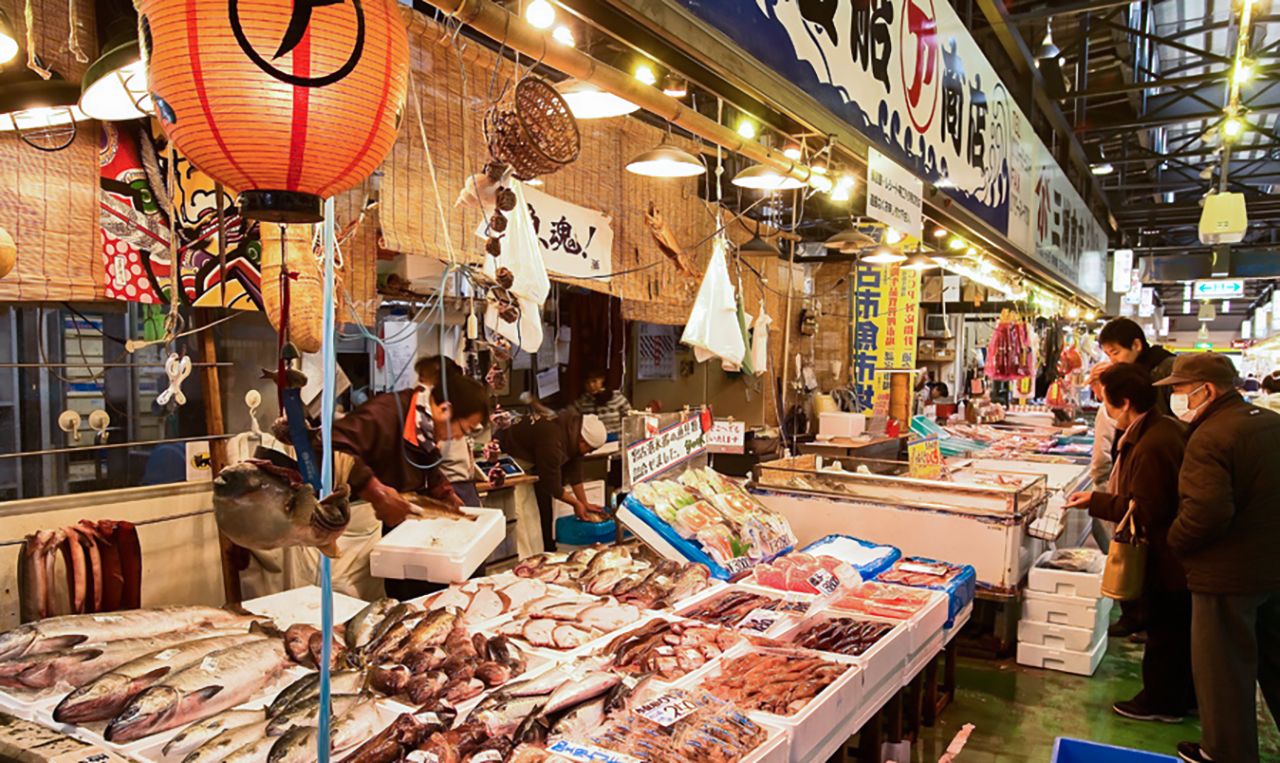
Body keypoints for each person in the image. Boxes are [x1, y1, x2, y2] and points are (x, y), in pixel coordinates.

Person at [1153, 352, 1280, 763]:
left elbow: (1205, 513)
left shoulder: (1210, 436)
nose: (1174, 396)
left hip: (1227, 574)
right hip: (1270, 565)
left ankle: (1225, 754)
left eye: (1177, 389)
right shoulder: (1269, 422)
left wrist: (1174, 540)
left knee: (1223, 672)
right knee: (1273, 661)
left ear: (1205, 390)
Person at [1065, 363, 1192, 722]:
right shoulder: (1159, 429)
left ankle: (1162, 703)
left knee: (1166, 631)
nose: (1104, 409)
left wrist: (1096, 501)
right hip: (1175, 554)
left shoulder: (1153, 442)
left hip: (1168, 556)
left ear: (1123, 402)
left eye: (1105, 401)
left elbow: (1146, 508)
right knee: (1175, 631)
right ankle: (1180, 697)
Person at [331, 357, 491, 527]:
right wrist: (374, 491)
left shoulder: (427, 433)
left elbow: (425, 465)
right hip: (353, 525)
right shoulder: (385, 413)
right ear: (445, 409)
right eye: (464, 429)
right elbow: (332, 446)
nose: (459, 437)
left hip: (391, 530)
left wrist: (444, 494)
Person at [498, 410, 608, 551]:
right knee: (520, 520)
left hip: (530, 467)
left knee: (534, 517)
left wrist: (584, 503)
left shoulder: (572, 430)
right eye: (589, 449)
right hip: (509, 462)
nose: (589, 453)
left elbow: (574, 471)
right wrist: (575, 503)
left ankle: (538, 554)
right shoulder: (553, 440)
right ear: (582, 440)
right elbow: (551, 484)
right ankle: (521, 564)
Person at [1098, 318, 1177, 414]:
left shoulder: (1167, 368)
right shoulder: (1131, 375)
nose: (1112, 360)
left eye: (1115, 353)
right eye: (1108, 355)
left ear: (1136, 345)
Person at [1086, 361, 1117, 553]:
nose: (1093, 392)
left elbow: (1102, 454)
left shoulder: (1107, 409)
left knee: (1110, 542)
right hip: (1117, 484)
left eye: (1094, 386)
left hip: (1109, 487)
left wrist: (1097, 485)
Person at [573, 368, 631, 436]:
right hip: (593, 440)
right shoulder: (583, 401)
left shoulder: (616, 398)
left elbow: (629, 418)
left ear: (602, 380)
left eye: (594, 381)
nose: (591, 386)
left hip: (616, 439)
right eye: (587, 383)